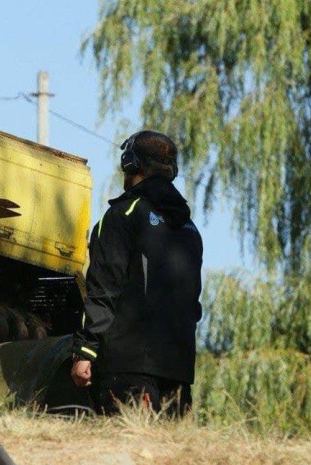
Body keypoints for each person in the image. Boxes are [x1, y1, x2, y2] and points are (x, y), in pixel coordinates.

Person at [71, 130, 203, 415]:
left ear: (131, 164)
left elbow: (104, 289)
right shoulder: (190, 231)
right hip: (178, 372)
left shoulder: (123, 216)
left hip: (127, 370)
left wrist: (85, 352)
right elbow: (193, 306)